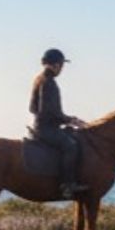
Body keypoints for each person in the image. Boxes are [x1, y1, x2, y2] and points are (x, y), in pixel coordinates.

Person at [30, 49, 86, 196]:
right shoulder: (49, 82)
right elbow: (49, 111)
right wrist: (71, 120)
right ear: (55, 65)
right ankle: (67, 185)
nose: (62, 69)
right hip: (46, 129)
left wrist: (66, 120)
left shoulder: (39, 79)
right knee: (71, 146)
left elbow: (32, 108)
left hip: (40, 126)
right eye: (61, 65)